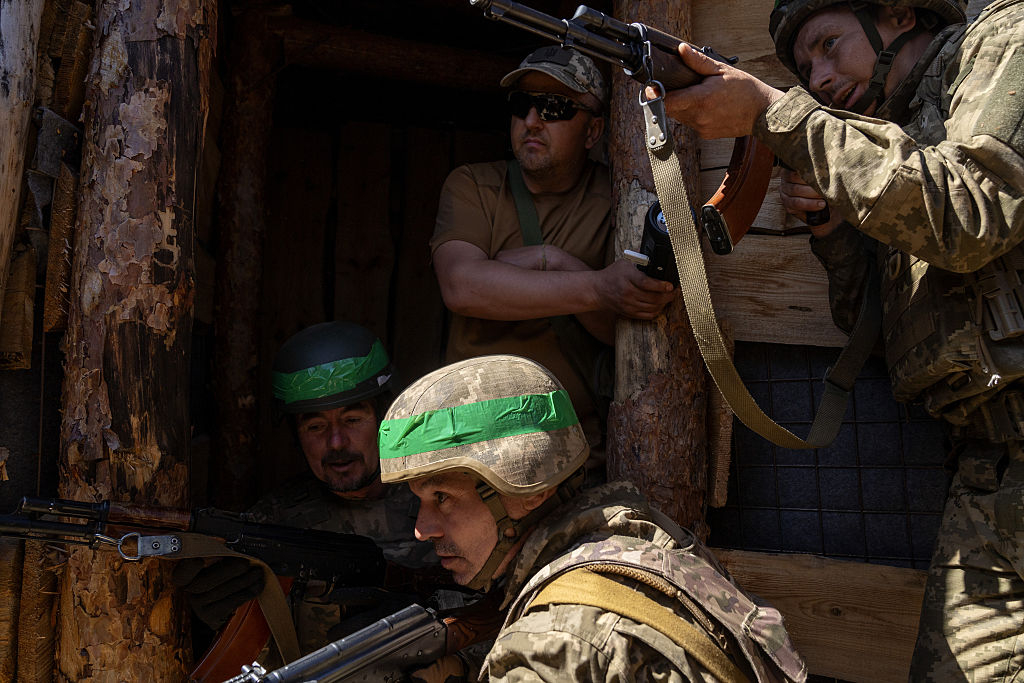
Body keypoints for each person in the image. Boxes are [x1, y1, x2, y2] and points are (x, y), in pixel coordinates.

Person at [653, 0, 1024, 679]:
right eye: (804, 70)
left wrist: (777, 113)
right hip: (989, 470)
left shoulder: (1003, 42)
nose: (820, 78)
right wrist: (835, 234)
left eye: (829, 44)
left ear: (899, 13)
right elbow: (880, 327)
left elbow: (972, 212)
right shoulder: (890, 144)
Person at [378, 354, 807, 682]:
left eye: (442, 498)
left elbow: (573, 651)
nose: (422, 529)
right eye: (421, 501)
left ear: (529, 489)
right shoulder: (640, 539)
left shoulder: (546, 645)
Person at [431, 45, 676, 457]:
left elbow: (624, 327)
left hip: (575, 447)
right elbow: (462, 287)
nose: (531, 121)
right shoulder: (474, 185)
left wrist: (557, 263)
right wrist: (595, 287)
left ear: (593, 131)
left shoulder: (622, 199)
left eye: (554, 108)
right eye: (522, 105)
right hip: (473, 440)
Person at [174, 321, 436, 655]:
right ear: (295, 438)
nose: (336, 442)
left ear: (386, 418)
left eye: (352, 420)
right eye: (315, 426)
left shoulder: (441, 502)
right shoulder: (270, 527)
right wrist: (222, 624)